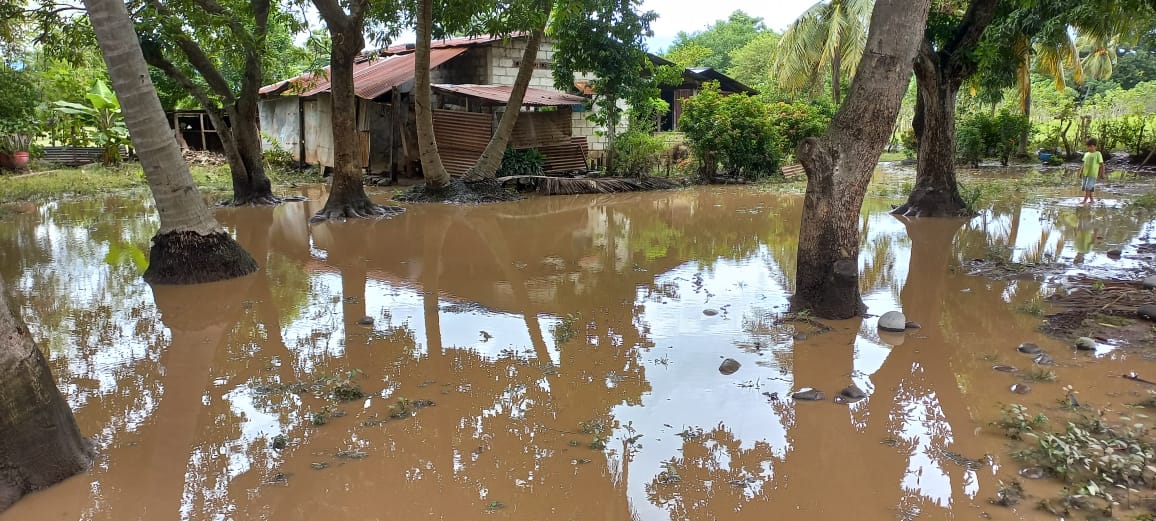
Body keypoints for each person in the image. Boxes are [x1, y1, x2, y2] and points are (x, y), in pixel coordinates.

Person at [1080, 138, 1105, 205]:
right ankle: (1092, 200)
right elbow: (1084, 164)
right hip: (1085, 173)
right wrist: (1080, 171)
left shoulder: (1098, 154)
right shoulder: (1086, 154)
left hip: (1092, 174)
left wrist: (1102, 173)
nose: (1089, 148)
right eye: (1088, 146)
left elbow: (1102, 164)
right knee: (1088, 187)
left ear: (1095, 146)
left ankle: (1085, 200)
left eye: (1091, 146)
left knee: (1088, 187)